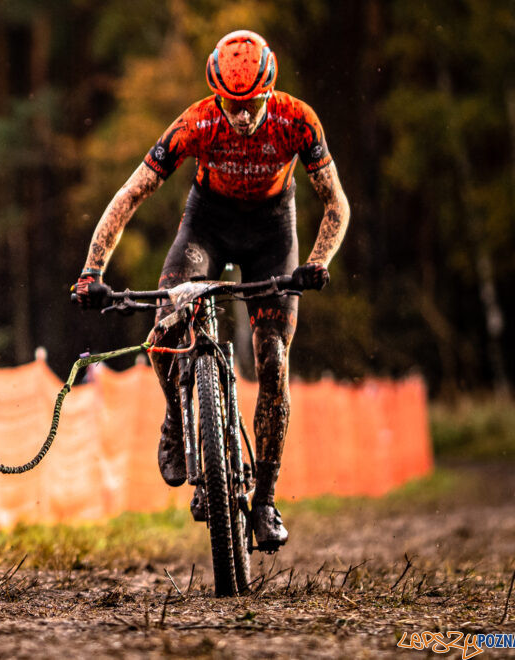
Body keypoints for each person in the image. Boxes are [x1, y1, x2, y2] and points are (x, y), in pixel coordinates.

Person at [72, 30, 350, 550]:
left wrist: (317, 262)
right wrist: (92, 270)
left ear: (271, 93)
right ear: (216, 96)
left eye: (251, 105)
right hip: (207, 226)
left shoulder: (298, 120)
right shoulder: (195, 122)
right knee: (166, 325)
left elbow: (336, 202)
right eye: (231, 105)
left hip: (273, 232)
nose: (241, 118)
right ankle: (177, 420)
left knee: (272, 360)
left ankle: (264, 502)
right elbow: (131, 194)